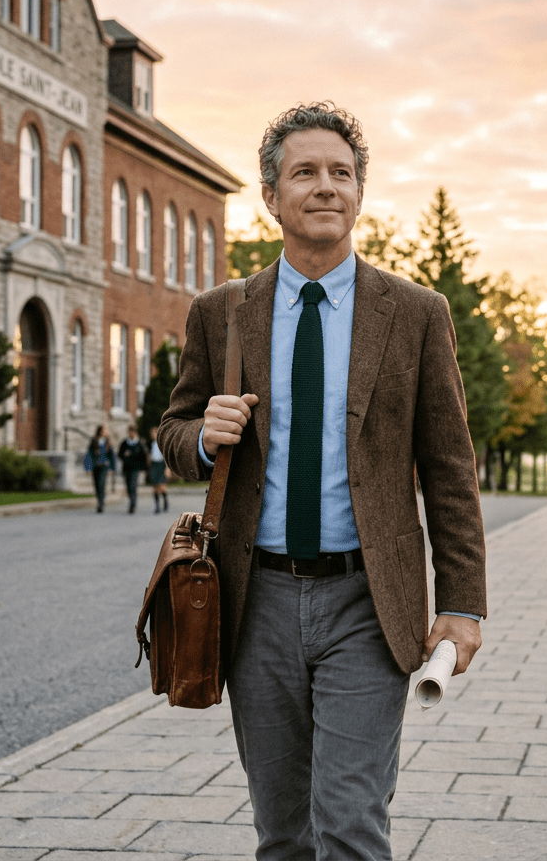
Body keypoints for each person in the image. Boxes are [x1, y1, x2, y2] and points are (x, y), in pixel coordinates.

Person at [159, 102, 486, 861]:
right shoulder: (222, 314)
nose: (326, 187)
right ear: (272, 196)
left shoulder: (414, 314)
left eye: (342, 173)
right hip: (257, 601)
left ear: (360, 194)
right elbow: (174, 434)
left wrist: (462, 602)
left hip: (368, 604)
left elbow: (449, 468)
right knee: (281, 833)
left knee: (348, 821)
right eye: (305, 172)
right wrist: (202, 440)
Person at [84, 425, 115, 513]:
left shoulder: (108, 442)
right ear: (100, 431)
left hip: (104, 466)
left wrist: (112, 468)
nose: (106, 432)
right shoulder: (94, 441)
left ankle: (101, 504)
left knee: (102, 483)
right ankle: (99, 500)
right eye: (104, 430)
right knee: (97, 485)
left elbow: (112, 456)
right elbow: (89, 454)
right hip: (95, 466)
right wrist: (88, 468)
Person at [118, 425, 148, 514]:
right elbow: (120, 454)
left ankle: (132, 504)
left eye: (132, 432)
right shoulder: (125, 443)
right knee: (128, 486)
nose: (130, 434)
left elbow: (143, 456)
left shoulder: (140, 443)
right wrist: (125, 455)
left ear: (135, 432)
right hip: (126, 468)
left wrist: (133, 455)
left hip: (135, 468)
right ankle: (131, 501)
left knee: (133, 486)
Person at [147, 425, 169, 514]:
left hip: (161, 465)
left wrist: (167, 469)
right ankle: (157, 506)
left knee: (162, 486)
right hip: (153, 465)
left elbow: (166, 457)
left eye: (154, 433)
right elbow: (148, 456)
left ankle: (165, 501)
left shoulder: (162, 444)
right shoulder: (150, 444)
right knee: (155, 486)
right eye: (151, 433)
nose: (152, 435)